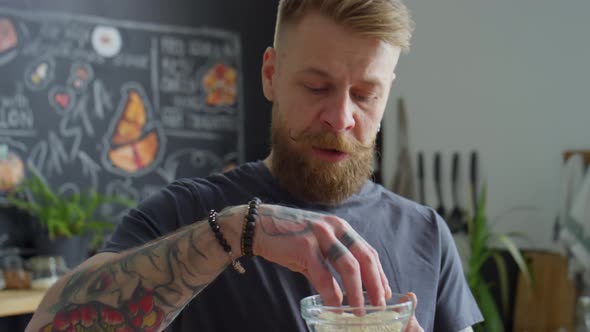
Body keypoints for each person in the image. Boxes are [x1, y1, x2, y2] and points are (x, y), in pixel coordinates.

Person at [26, 0, 483, 331]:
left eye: (366, 95)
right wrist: (238, 232)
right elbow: (50, 326)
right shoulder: (188, 213)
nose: (341, 117)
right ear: (271, 75)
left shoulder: (427, 233)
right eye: (317, 87)